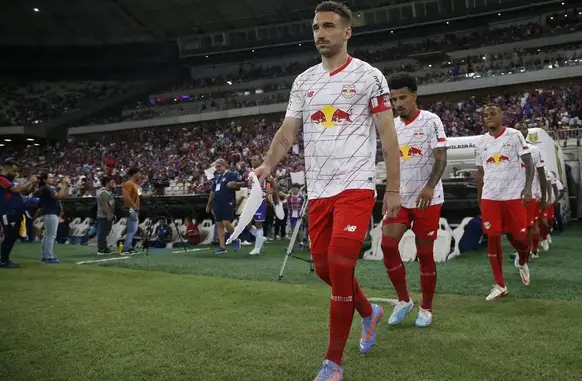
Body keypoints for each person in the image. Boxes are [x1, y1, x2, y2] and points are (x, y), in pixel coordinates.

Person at [254, 2, 401, 379]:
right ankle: (369, 312)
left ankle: (332, 363)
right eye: (317, 27)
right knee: (324, 268)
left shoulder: (370, 77)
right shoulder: (304, 82)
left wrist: (393, 188)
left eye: (329, 26)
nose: (321, 33)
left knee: (338, 263)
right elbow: (288, 132)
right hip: (318, 192)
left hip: (356, 187)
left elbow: (387, 134)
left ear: (346, 32)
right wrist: (268, 164)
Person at [380, 73, 448, 328]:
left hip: (427, 201)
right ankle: (404, 300)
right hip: (400, 198)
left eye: (403, 97)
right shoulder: (391, 125)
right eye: (393, 99)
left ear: (414, 95)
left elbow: (441, 157)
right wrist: (390, 191)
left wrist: (430, 187)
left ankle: (427, 308)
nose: (398, 103)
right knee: (387, 245)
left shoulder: (431, 121)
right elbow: (390, 162)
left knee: (425, 255)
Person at [475, 105, 534, 301]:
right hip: (490, 197)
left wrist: (527, 189)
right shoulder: (481, 142)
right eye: (485, 115)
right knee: (493, 237)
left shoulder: (514, 135)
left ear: (501, 116)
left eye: (492, 114)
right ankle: (500, 284)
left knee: (519, 238)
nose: (489, 117)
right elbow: (480, 173)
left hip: (512, 196)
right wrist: (480, 198)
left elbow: (529, 163)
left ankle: (522, 259)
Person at [514, 123, 547, 261]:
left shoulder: (535, 150)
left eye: (524, 129)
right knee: (517, 227)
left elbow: (542, 175)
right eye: (519, 129)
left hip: (529, 194)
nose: (522, 131)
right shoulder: (508, 149)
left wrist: (544, 196)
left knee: (530, 225)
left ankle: (532, 250)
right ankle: (523, 252)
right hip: (512, 194)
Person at [0, 158, 37, 268]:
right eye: (14, 171)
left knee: (13, 236)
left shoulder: (12, 181)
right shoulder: (2, 179)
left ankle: (4, 259)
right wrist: (29, 181)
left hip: (16, 212)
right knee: (9, 236)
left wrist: (33, 184)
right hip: (7, 211)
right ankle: (3, 261)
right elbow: (16, 190)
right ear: (7, 168)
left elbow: (25, 191)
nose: (16, 174)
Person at [205, 159, 244, 254]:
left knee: (226, 223)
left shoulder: (231, 175)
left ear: (224, 165)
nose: (217, 168)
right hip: (217, 203)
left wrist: (234, 185)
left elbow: (239, 186)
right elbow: (212, 192)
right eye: (216, 167)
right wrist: (209, 204)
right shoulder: (217, 177)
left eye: (219, 166)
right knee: (219, 224)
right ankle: (222, 247)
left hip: (227, 202)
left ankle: (235, 239)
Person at [247, 154, 279, 256]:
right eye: (252, 159)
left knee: (258, 223)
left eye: (255, 159)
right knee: (246, 223)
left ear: (261, 161)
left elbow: (273, 183)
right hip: (250, 199)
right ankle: (260, 237)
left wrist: (276, 197)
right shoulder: (250, 171)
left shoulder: (264, 171)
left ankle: (257, 248)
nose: (252, 160)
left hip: (259, 200)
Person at [37, 173, 70, 264]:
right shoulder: (46, 188)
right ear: (44, 180)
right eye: (50, 177)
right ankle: (48, 257)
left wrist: (67, 186)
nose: (52, 179)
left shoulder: (49, 188)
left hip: (51, 213)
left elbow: (63, 196)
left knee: (48, 235)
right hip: (50, 213)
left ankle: (45, 256)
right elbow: (58, 196)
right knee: (51, 236)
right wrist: (63, 184)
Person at [122, 167, 153, 254]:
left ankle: (129, 247)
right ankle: (126, 249)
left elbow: (141, 196)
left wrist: (150, 194)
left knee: (134, 229)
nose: (140, 175)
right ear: (134, 174)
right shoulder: (128, 183)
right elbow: (126, 196)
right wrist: (134, 205)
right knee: (132, 229)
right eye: (139, 173)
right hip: (131, 208)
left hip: (135, 209)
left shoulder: (136, 185)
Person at [97, 176, 116, 255]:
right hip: (104, 215)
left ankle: (104, 247)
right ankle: (101, 249)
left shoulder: (108, 192)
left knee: (105, 232)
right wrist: (109, 215)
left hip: (106, 215)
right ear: (107, 183)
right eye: (112, 182)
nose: (113, 184)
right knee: (103, 232)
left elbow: (111, 202)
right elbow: (105, 205)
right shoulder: (103, 192)